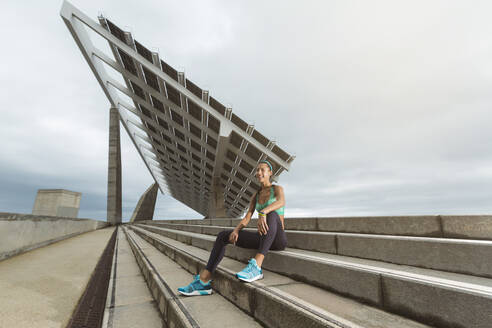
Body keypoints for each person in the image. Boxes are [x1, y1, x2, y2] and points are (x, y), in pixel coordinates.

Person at [177, 159, 287, 296]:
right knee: (223, 235)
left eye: (262, 170)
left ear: (270, 172)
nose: (259, 172)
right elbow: (247, 217)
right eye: (257, 170)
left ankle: (256, 267)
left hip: (277, 239)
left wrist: (263, 212)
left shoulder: (277, 189)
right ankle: (204, 281)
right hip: (263, 237)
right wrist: (236, 231)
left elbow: (281, 202)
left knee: (272, 214)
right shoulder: (256, 195)